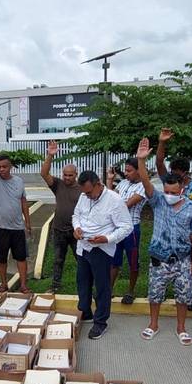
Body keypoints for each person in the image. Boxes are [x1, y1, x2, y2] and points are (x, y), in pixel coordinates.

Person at [135, 138, 192, 344]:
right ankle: (153, 324)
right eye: (166, 191)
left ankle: (181, 328)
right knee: (155, 294)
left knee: (183, 295)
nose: (170, 195)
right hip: (159, 258)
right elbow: (146, 182)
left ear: (182, 188)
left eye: (173, 192)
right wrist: (141, 161)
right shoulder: (158, 202)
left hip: (182, 259)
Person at [72, 171, 133, 340]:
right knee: (82, 282)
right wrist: (76, 227)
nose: (87, 196)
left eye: (89, 192)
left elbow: (127, 227)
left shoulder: (115, 200)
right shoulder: (84, 196)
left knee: (102, 287)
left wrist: (107, 238)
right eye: (84, 193)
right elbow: (76, 215)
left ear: (98, 184)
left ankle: (100, 322)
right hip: (83, 246)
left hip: (101, 249)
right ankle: (85, 311)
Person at [155, 128, 192, 311]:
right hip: (167, 238)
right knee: (165, 269)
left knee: (191, 268)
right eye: (172, 171)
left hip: (189, 236)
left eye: (177, 172)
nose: (174, 175)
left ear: (185, 173)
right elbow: (159, 162)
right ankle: (162, 296)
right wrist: (162, 142)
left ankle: (188, 298)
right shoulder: (169, 183)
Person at [0, 146, 31, 293]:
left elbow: (23, 202)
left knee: (21, 257)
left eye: (4, 166)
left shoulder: (19, 182)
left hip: (17, 227)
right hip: (0, 227)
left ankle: (23, 285)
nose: (1, 169)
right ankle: (4, 284)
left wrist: (27, 223)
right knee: (1, 258)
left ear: (11, 167)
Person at [40, 140, 80, 294]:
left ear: (76, 175)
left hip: (76, 231)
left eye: (70, 175)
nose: (67, 178)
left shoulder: (82, 188)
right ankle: (56, 285)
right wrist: (50, 156)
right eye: (65, 174)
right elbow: (44, 174)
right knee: (58, 260)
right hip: (59, 230)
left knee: (81, 260)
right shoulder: (58, 184)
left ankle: (86, 284)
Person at [107, 158, 146, 305]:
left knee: (133, 261)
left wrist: (114, 202)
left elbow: (126, 205)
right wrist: (110, 181)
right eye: (125, 170)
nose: (126, 173)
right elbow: (108, 198)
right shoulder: (123, 183)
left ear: (138, 171)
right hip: (117, 228)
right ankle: (109, 289)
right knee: (114, 260)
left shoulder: (143, 187)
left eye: (129, 170)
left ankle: (130, 291)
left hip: (132, 228)